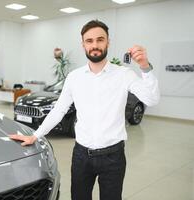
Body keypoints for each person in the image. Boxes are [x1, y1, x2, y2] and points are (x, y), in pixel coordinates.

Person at [10, 19, 160, 200]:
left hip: (114, 157)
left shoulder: (124, 74)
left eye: (100, 39)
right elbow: (58, 111)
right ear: (83, 45)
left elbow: (152, 99)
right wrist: (35, 135)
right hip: (82, 156)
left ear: (108, 42)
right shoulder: (74, 77)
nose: (95, 45)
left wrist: (144, 66)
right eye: (89, 41)